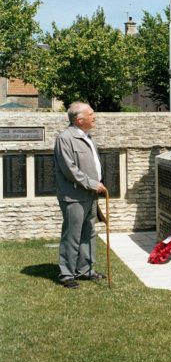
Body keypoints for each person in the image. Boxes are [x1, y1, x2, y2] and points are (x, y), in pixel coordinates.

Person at [54, 101, 107, 288]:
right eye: (91, 114)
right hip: (74, 196)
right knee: (72, 234)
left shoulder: (88, 137)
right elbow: (70, 170)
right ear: (79, 119)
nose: (95, 117)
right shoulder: (65, 138)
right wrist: (93, 183)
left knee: (88, 233)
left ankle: (86, 270)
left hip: (90, 194)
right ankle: (67, 274)